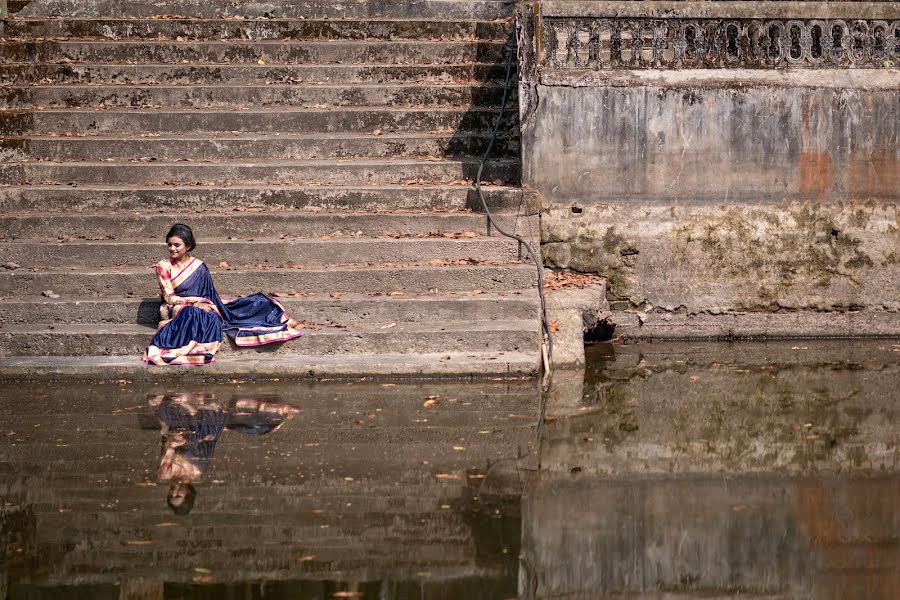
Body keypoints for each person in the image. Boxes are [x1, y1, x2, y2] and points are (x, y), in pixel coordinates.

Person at [142, 223, 303, 366]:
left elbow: (209, 295)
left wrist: (204, 304)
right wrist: (194, 304)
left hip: (203, 303)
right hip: (173, 307)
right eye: (169, 245)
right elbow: (168, 297)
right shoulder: (163, 266)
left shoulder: (199, 266)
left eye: (177, 245)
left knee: (253, 304)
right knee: (195, 313)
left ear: (188, 246)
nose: (172, 249)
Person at [150, 392, 301, 514]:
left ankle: (189, 405)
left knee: (178, 417)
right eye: (178, 495)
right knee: (247, 425)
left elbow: (168, 444)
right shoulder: (197, 470)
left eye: (171, 495)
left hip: (181, 429)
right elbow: (207, 441)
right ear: (188, 493)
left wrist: (178, 439)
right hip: (204, 428)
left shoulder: (165, 473)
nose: (174, 492)